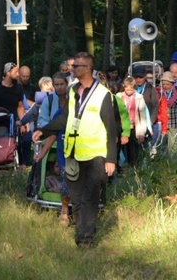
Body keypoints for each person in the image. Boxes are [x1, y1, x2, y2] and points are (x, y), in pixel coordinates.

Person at [33, 52, 118, 247]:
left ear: (87, 69)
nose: (72, 69)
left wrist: (111, 159)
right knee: (77, 199)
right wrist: (44, 131)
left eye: (76, 66)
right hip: (72, 154)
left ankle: (84, 240)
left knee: (90, 198)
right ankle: (84, 231)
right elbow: (64, 119)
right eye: (72, 66)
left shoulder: (103, 95)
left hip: (96, 156)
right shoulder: (72, 92)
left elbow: (111, 128)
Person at [33, 73, 71, 226]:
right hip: (61, 151)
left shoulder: (79, 108)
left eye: (62, 84)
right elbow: (52, 133)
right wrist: (42, 153)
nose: (60, 87)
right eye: (57, 84)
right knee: (65, 181)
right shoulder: (56, 110)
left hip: (78, 153)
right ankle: (65, 210)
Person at [0, 62, 28, 164]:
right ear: (8, 73)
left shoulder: (19, 88)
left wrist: (22, 123)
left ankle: (19, 162)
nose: (18, 74)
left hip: (12, 121)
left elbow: (20, 107)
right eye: (16, 72)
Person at [117, 76, 150, 168]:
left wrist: (141, 133)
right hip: (122, 128)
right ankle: (121, 169)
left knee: (133, 151)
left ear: (134, 88)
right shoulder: (119, 96)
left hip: (134, 128)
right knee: (121, 151)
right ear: (124, 87)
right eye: (127, 90)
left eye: (131, 90)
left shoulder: (139, 97)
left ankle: (133, 169)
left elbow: (142, 117)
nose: (129, 92)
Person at [157, 71, 177, 155]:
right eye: (163, 84)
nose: (165, 86)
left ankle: (173, 162)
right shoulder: (158, 92)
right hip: (162, 122)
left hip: (175, 121)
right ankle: (162, 162)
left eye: (167, 84)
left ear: (172, 84)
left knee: (173, 144)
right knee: (161, 143)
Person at [132, 65, 160, 158]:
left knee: (145, 147)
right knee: (133, 148)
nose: (138, 80)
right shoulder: (130, 88)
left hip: (146, 123)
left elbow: (155, 106)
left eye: (140, 77)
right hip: (132, 123)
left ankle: (146, 165)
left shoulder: (151, 89)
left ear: (145, 77)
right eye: (136, 77)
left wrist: (150, 122)